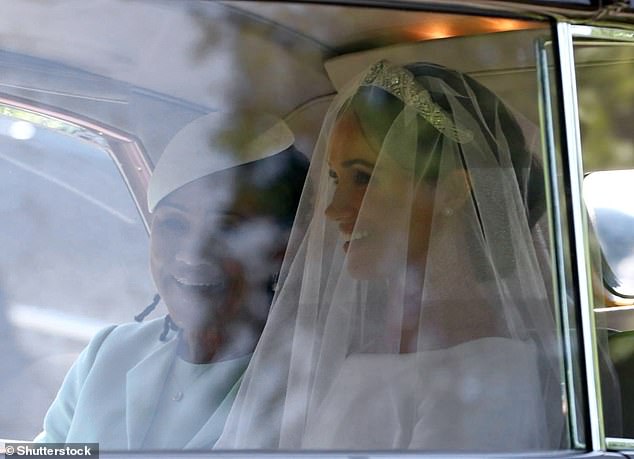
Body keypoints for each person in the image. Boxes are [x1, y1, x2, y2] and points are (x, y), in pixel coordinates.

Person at [216, 61, 566, 450]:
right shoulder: (357, 342)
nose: (334, 210)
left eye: (364, 177)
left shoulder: (488, 372)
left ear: (451, 191)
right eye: (335, 179)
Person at [34, 111, 308, 449]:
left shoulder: (305, 385)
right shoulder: (109, 353)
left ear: (281, 248)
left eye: (226, 228)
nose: (191, 255)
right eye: (174, 225)